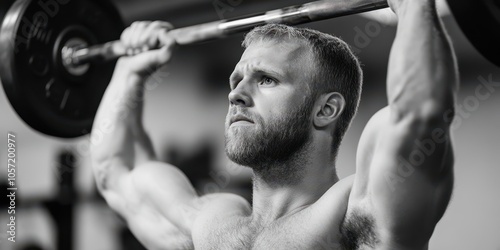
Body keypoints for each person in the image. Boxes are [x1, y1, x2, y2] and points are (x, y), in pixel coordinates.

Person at [90, 0, 458, 249]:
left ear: (326, 110)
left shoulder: (356, 216)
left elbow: (421, 114)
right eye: (236, 81)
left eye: (266, 79)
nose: (236, 95)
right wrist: (129, 71)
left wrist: (414, 8)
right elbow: (115, 172)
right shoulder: (213, 225)